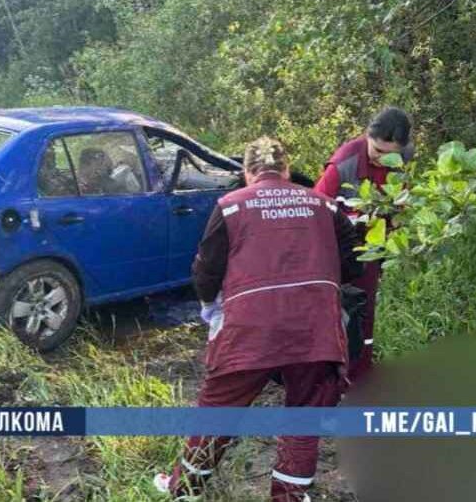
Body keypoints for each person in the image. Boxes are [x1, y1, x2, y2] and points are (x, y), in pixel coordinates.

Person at [154, 137, 363, 502]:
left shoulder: (230, 206)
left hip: (248, 331)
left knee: (217, 413)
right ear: (285, 169)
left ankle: (184, 492)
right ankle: (288, 497)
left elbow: (206, 271)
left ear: (248, 173)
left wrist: (210, 306)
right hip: (314, 330)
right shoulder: (325, 206)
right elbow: (354, 263)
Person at [313, 106, 412, 381]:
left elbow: (401, 210)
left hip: (372, 249)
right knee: (333, 312)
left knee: (363, 312)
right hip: (335, 248)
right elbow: (315, 211)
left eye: (388, 153)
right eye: (375, 150)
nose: (380, 158)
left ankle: (360, 376)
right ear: (367, 137)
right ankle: (328, 377)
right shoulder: (344, 164)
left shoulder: (403, 163)